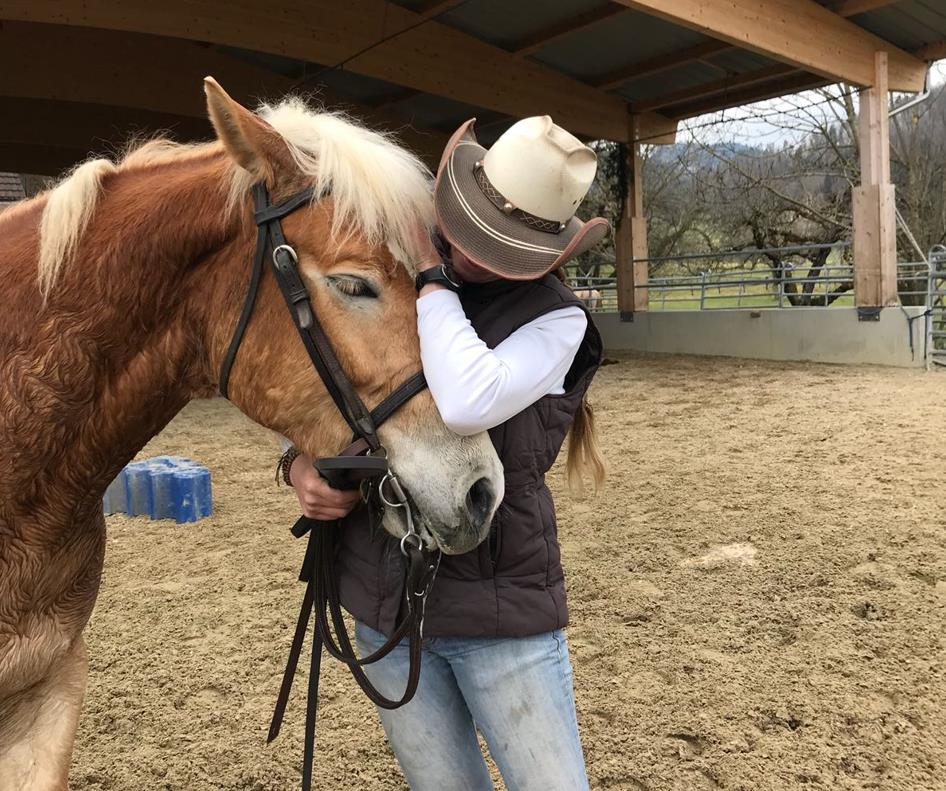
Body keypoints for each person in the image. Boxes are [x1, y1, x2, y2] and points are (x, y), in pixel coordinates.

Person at [286, 115, 609, 790]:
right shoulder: (387, 261)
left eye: (501, 247)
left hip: (499, 603)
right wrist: (300, 462)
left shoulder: (556, 319)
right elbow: (325, 379)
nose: (470, 257)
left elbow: (466, 398)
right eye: (469, 235)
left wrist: (433, 278)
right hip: (384, 595)